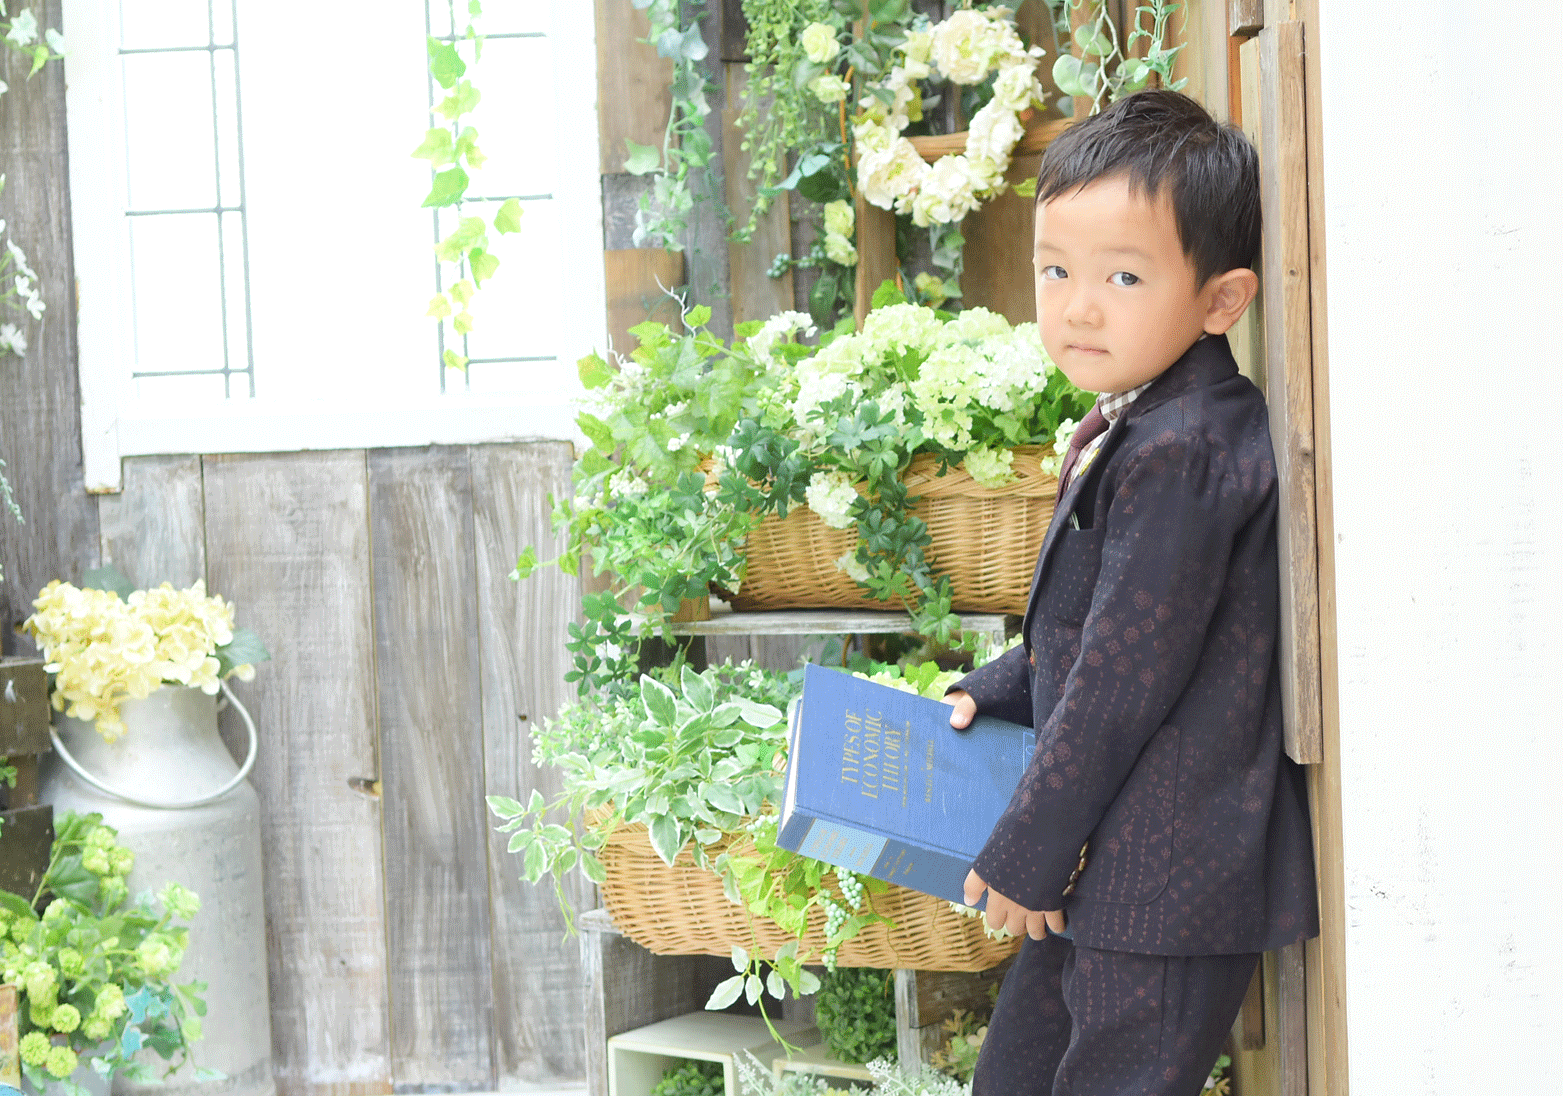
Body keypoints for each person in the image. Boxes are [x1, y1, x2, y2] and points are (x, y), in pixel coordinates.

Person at [942, 89, 1318, 1096]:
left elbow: (1122, 681)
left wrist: (1027, 850)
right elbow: (1104, 624)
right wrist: (995, 685)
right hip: (1109, 867)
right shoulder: (1146, 417)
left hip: (1164, 878)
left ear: (1221, 301)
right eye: (1055, 270)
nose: (1078, 306)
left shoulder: (1186, 449)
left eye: (1122, 276)